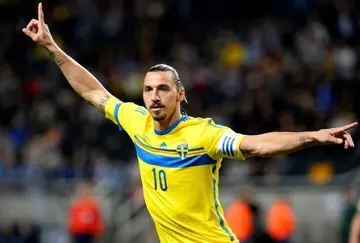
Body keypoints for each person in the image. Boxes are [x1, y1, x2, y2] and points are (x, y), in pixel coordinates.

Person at [22, 3, 358, 242]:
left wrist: (313, 137)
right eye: (148, 89)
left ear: (180, 94)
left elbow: (256, 144)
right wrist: (52, 47)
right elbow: (95, 93)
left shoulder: (203, 135)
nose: (154, 96)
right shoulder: (136, 121)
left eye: (163, 89)